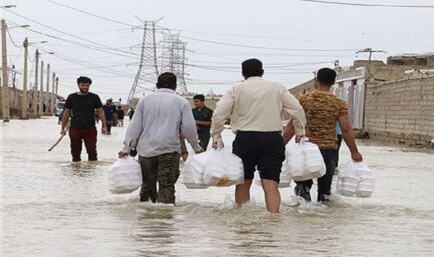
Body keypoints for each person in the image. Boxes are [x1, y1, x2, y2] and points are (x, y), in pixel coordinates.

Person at [211, 58, 306, 213]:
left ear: (243, 73)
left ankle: (243, 221)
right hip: (272, 139)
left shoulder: (236, 89)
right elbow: (297, 109)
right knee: (270, 183)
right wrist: (299, 130)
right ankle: (273, 220)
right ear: (262, 72)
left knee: (243, 181)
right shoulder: (277, 88)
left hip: (245, 139)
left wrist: (217, 135)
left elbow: (219, 114)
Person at [118, 72, 203, 204]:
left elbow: (135, 126)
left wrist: (127, 148)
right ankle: (164, 218)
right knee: (167, 185)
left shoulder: (145, 100)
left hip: (146, 151)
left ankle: (147, 216)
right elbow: (188, 128)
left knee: (147, 185)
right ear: (175, 86)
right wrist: (196, 147)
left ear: (157, 85)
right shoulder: (182, 102)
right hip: (169, 150)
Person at [283, 68, 363, 203]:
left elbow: (292, 125)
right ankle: (324, 220)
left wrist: (280, 145)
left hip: (305, 149)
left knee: (302, 187)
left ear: (316, 81)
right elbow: (346, 129)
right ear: (333, 82)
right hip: (328, 149)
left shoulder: (303, 100)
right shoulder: (339, 103)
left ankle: (303, 216)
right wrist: (354, 152)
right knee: (325, 192)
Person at [60, 76, 107, 162]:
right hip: (75, 128)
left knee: (91, 150)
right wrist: (62, 128)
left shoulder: (94, 97)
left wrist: (104, 126)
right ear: (78, 85)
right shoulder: (71, 97)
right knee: (75, 151)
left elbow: (101, 111)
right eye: (83, 85)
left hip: (90, 128)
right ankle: (76, 171)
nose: (85, 87)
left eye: (87, 85)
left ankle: (91, 172)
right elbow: (66, 113)